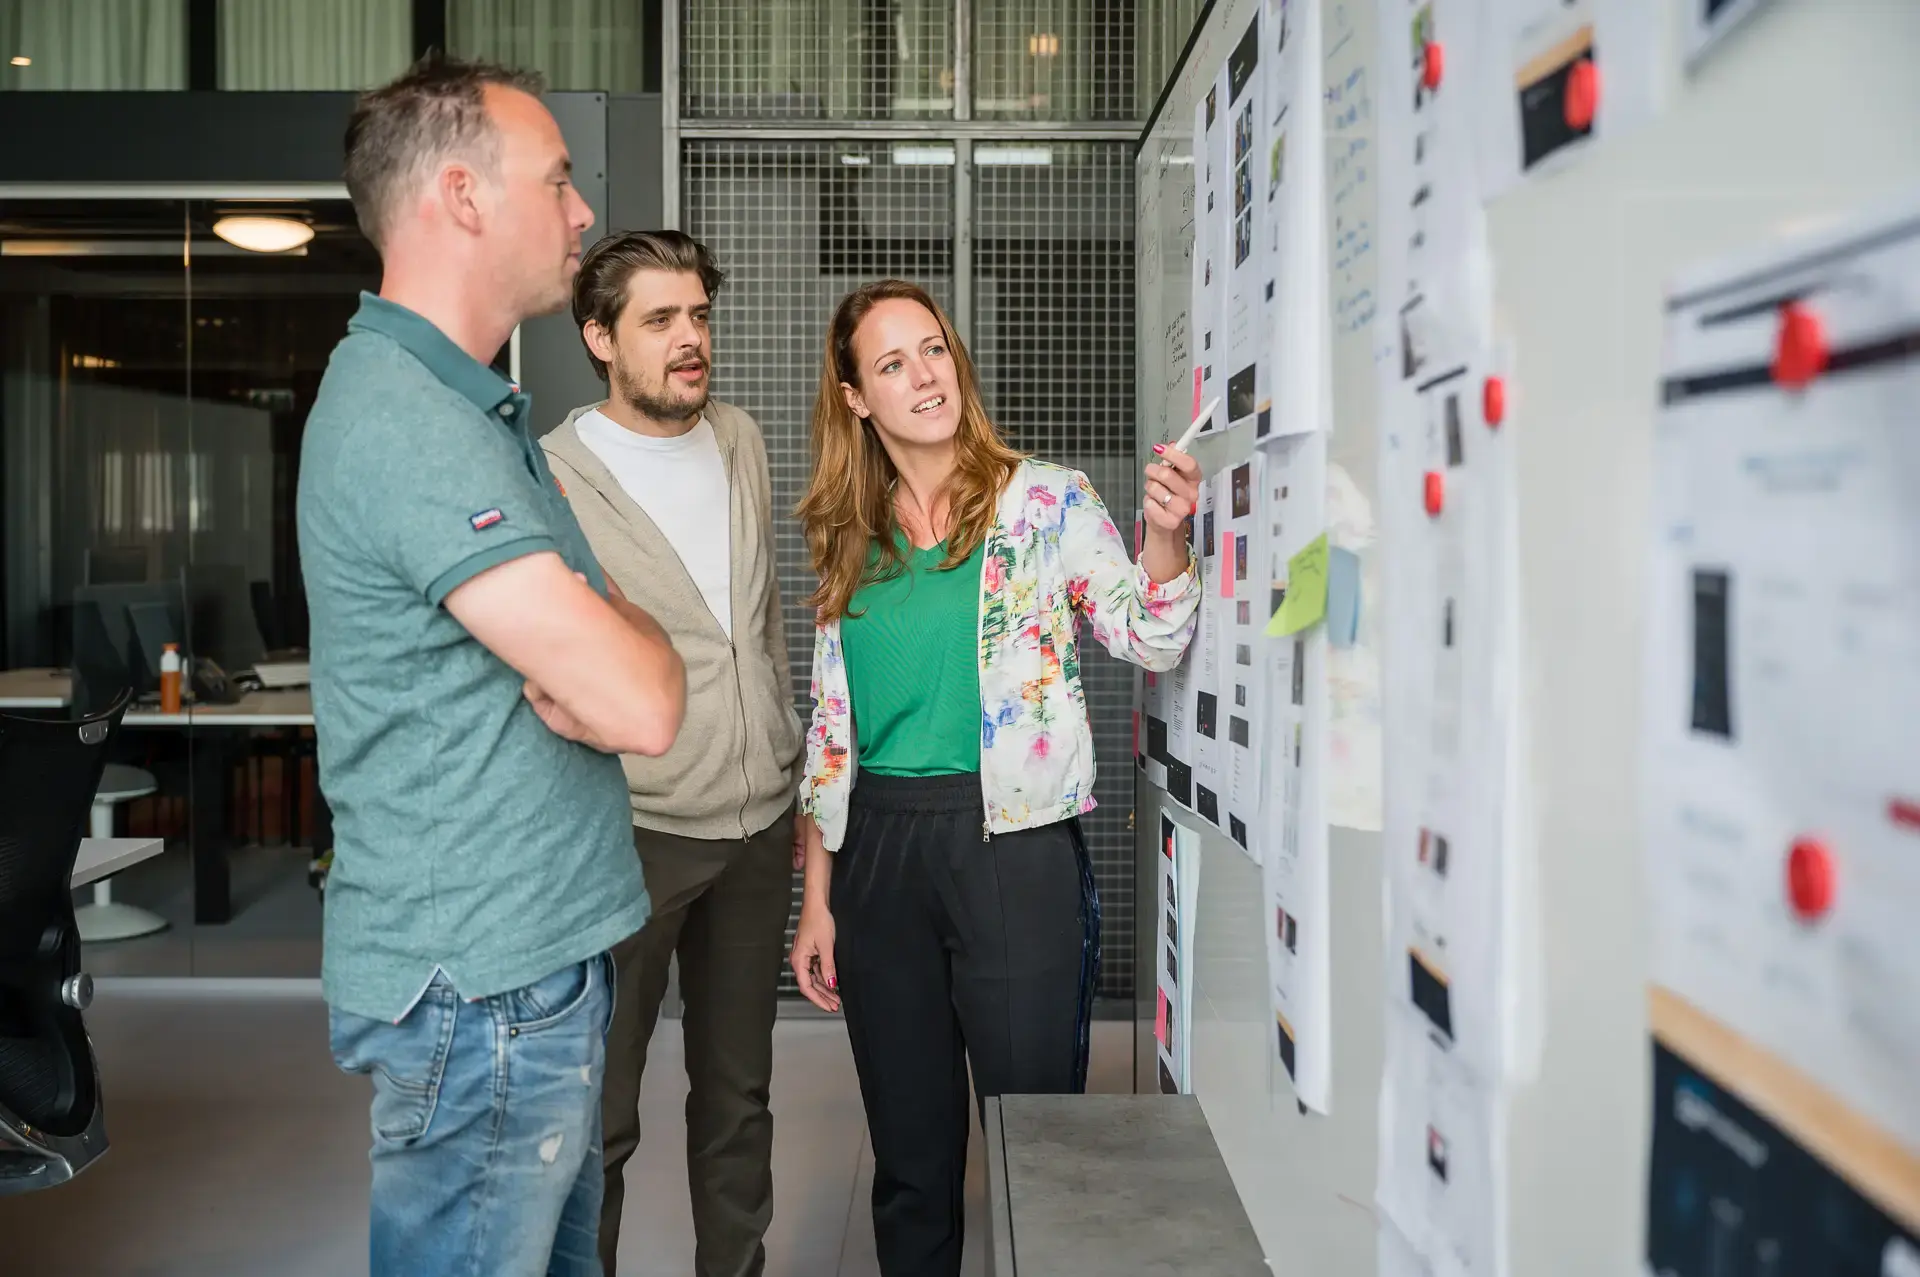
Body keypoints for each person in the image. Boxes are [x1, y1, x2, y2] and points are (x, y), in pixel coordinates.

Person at [297, 57, 687, 1277]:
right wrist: (620, 647)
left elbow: (635, 659)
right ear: (462, 196)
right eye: (557, 179)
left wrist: (620, 641)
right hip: (483, 1000)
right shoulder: (406, 425)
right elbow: (646, 697)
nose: (582, 213)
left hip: (524, 978)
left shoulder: (472, 412)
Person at [786, 279, 1204, 1275]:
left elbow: (1149, 636)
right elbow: (828, 737)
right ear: (853, 395)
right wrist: (818, 899)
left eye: (932, 348)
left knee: (1036, 1139)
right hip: (879, 850)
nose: (924, 374)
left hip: (1014, 847)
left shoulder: (1045, 498)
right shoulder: (848, 530)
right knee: (911, 1154)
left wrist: (1170, 533)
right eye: (891, 363)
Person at [542, 230, 804, 1277]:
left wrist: (777, 744)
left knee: (738, 1098)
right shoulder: (554, 472)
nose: (691, 339)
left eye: (699, 315)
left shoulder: (737, 435)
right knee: (599, 1112)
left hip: (755, 825)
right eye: (661, 320)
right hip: (631, 832)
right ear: (600, 336)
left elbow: (763, 618)